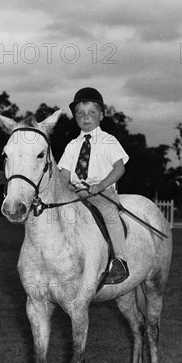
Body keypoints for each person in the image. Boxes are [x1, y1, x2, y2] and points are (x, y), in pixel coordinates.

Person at [58, 87, 130, 284]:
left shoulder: (108, 141)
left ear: (101, 115)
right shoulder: (72, 146)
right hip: (76, 194)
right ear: (75, 117)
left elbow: (119, 168)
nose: (86, 118)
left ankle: (119, 261)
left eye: (91, 112)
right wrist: (63, 190)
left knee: (109, 213)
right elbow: (64, 175)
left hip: (102, 192)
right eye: (80, 113)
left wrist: (101, 185)